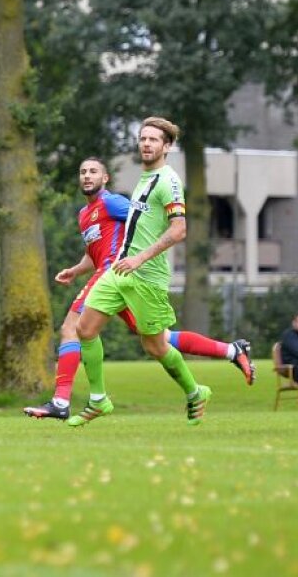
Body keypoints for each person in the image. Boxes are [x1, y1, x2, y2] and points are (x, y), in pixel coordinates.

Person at [23, 157, 253, 420]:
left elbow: (146, 222)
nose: (87, 175)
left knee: (71, 328)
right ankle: (230, 352)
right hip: (117, 278)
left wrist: (145, 258)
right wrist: (75, 270)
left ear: (105, 178)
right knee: (159, 340)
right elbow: (93, 253)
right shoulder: (84, 214)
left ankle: (62, 402)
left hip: (116, 273)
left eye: (93, 171)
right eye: (83, 171)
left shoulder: (112, 202)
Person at [67, 118, 213, 427]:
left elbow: (179, 230)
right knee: (84, 329)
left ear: (167, 146)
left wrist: (140, 259)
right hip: (120, 271)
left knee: (155, 346)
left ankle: (195, 392)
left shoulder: (168, 181)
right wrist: (86, 266)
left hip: (147, 278)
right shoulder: (145, 177)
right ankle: (98, 400)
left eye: (153, 139)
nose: (146, 144)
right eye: (143, 138)